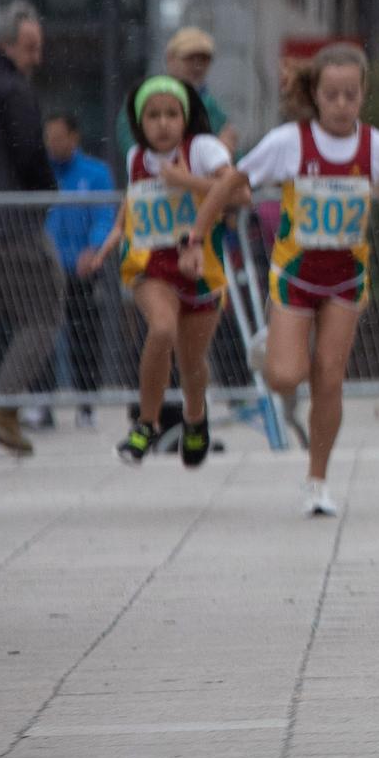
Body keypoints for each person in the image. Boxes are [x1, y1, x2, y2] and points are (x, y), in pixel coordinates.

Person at [198, 44, 379, 515]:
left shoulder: (376, 147)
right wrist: (198, 234)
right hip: (296, 276)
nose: (341, 104)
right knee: (285, 376)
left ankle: (317, 481)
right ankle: (270, 348)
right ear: (316, 96)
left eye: (350, 95)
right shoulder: (289, 142)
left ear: (362, 96)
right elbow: (233, 182)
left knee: (329, 379)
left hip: (345, 279)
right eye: (332, 95)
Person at [94, 77, 237, 468]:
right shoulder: (136, 157)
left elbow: (236, 190)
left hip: (199, 266)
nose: (162, 124)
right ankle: (146, 424)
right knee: (161, 330)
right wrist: (118, 228)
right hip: (149, 262)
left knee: (192, 362)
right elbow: (137, 194)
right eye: (153, 115)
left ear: (185, 116)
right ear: (140, 123)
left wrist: (184, 180)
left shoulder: (203, 149)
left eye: (171, 114)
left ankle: (195, 419)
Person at [0, 2, 64, 457]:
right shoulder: (12, 90)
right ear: (6, 44)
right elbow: (29, 158)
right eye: (30, 47)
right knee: (44, 312)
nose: (36, 58)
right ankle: (1, 408)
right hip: (13, 223)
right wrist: (46, 194)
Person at [44, 113, 115, 429]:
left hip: (82, 269)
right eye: (49, 138)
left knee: (85, 335)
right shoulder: (41, 172)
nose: (53, 145)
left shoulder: (95, 173)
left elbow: (105, 214)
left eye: (59, 138)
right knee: (41, 334)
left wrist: (95, 247)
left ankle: (87, 403)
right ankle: (40, 403)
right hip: (47, 269)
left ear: (74, 138)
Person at [114, 26, 239, 161]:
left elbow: (234, 159)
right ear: (170, 58)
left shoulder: (213, 108)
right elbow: (134, 148)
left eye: (204, 59)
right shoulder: (145, 98)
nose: (197, 66)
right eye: (190, 58)